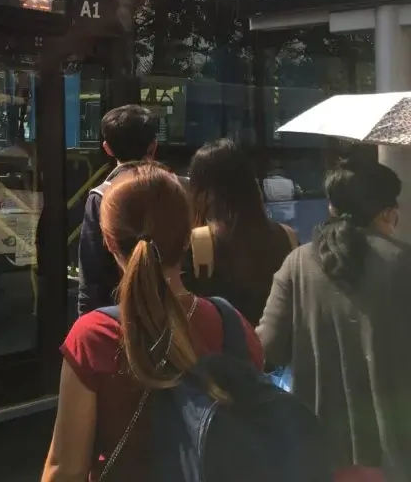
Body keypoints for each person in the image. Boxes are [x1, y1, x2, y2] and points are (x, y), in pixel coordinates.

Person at [44, 162, 264, 481]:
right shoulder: (234, 325)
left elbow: (66, 470)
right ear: (188, 238)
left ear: (108, 242)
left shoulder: (93, 336)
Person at [258, 159, 411, 481]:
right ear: (387, 213)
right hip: (396, 453)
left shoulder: (297, 264)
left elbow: (267, 345)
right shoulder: (402, 262)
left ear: (330, 206)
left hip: (319, 451)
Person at [182, 139, 298, 326]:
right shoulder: (288, 237)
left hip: (221, 352)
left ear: (206, 191)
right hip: (278, 350)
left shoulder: (198, 243)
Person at [77, 104, 158, 315]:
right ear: (153, 146)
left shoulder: (101, 197)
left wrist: (87, 323)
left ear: (107, 148)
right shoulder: (178, 188)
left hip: (118, 315)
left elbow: (91, 275)